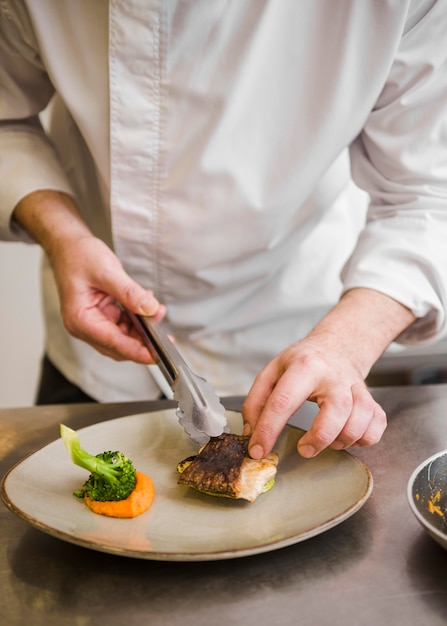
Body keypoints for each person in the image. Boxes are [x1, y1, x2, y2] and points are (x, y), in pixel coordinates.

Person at [1, 1, 446, 461]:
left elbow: (431, 195)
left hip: (292, 352)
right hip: (94, 353)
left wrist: (344, 345)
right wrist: (63, 237)